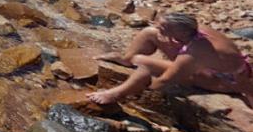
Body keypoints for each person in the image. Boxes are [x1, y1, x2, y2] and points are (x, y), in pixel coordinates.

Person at [89, 13, 253, 107]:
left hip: (222, 81)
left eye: (164, 28)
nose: (158, 27)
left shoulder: (194, 52)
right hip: (204, 64)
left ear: (179, 33)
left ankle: (115, 95)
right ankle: (126, 59)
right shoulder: (195, 30)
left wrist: (143, 90)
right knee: (149, 33)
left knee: (145, 64)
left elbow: (167, 80)